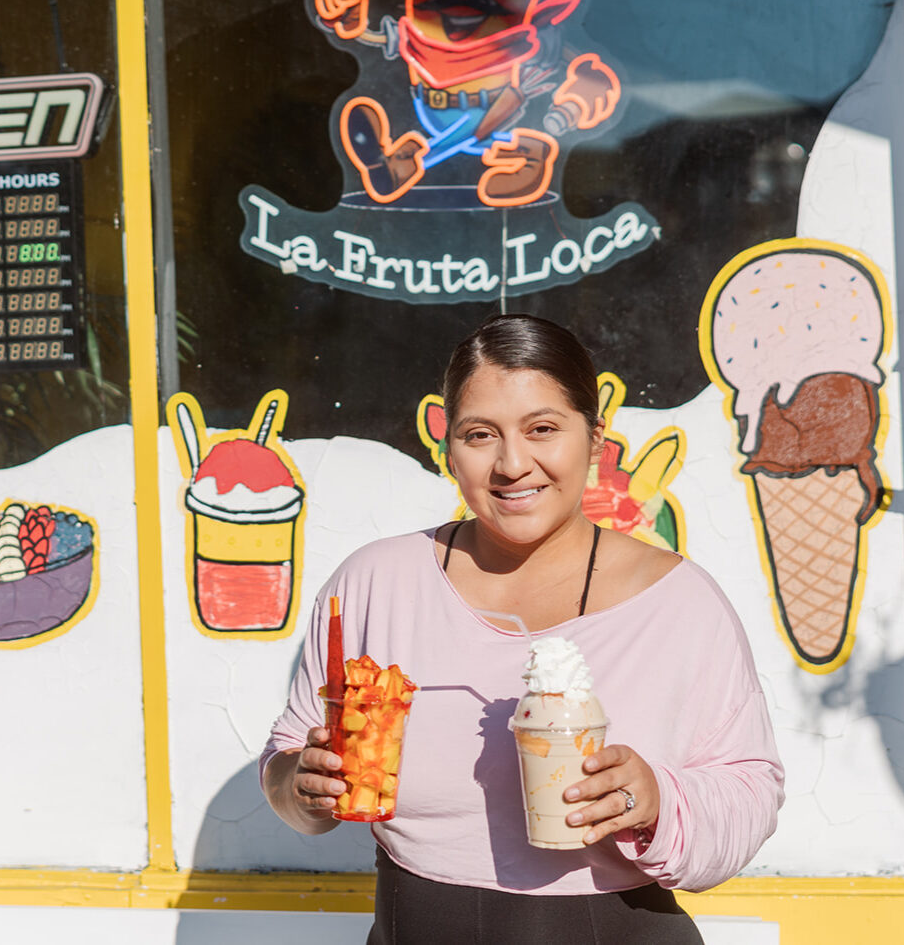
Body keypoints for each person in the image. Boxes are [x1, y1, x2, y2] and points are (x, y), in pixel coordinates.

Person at [260, 314, 783, 943]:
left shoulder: (677, 602)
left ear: (594, 436)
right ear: (447, 445)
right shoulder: (373, 585)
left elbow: (750, 794)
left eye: (543, 429)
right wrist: (302, 786)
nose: (512, 464)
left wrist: (654, 799)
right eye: (480, 434)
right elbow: (288, 758)